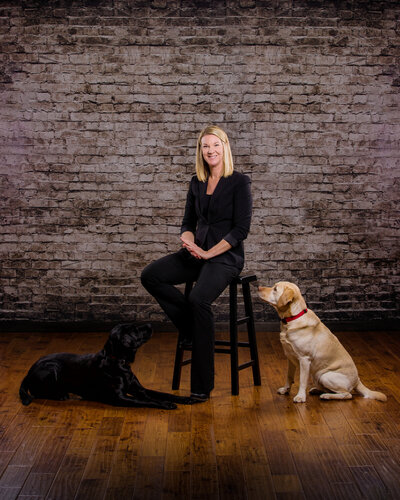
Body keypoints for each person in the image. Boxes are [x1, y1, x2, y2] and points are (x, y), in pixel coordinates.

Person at [140, 125, 252, 401]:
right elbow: (188, 223)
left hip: (224, 257)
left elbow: (240, 230)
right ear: (200, 151)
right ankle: (191, 329)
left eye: (215, 145)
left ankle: (202, 386)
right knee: (151, 275)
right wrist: (188, 241)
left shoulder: (240, 182)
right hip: (196, 253)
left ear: (225, 147)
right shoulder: (196, 182)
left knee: (199, 299)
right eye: (205, 146)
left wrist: (208, 253)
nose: (210, 150)